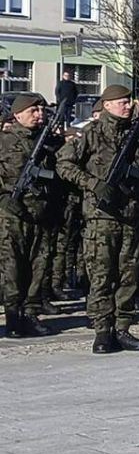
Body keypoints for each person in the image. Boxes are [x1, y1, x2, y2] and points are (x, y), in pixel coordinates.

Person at [57, 85, 139, 353]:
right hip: (101, 217)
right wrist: (92, 183)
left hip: (130, 216)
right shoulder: (91, 133)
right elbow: (64, 164)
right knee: (101, 275)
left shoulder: (137, 137)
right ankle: (103, 330)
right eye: (122, 102)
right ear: (108, 105)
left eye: (128, 102)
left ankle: (123, 327)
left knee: (129, 275)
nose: (128, 106)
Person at [0, 95, 58, 337]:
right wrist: (4, 199)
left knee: (39, 265)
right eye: (33, 110)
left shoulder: (47, 143)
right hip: (11, 216)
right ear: (18, 114)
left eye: (41, 110)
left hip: (40, 214)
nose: (39, 114)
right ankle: (13, 316)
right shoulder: (4, 142)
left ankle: (31, 313)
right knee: (12, 267)